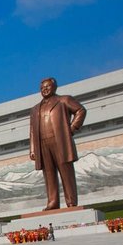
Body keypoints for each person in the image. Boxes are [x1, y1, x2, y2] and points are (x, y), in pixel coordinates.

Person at [29, 77, 86, 210]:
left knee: (66, 171)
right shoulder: (35, 109)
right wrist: (32, 149)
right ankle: (52, 202)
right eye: (42, 88)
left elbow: (80, 111)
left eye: (48, 87)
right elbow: (32, 130)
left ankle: (71, 202)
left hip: (59, 140)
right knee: (48, 174)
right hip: (42, 143)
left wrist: (72, 128)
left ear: (54, 87)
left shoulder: (64, 100)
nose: (45, 89)